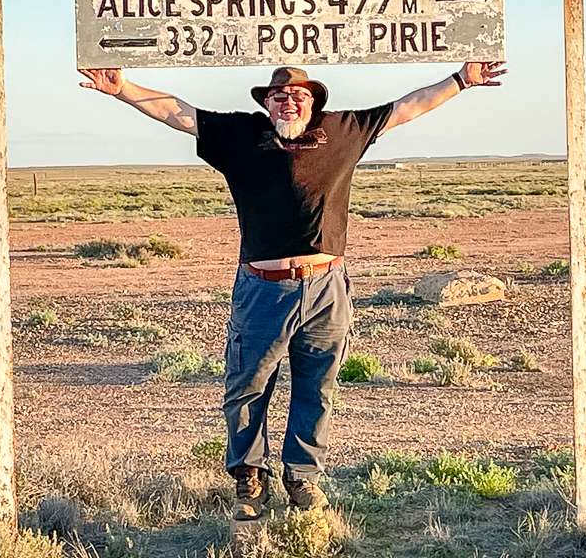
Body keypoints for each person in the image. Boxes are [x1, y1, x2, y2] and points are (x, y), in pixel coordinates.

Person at [76, 60, 507, 520]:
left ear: (314, 102)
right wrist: (123, 89)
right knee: (248, 385)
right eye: (279, 95)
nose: (289, 100)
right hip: (264, 288)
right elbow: (178, 112)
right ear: (266, 102)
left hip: (326, 288)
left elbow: (407, 107)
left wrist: (461, 81)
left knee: (317, 388)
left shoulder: (344, 131)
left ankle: (302, 477)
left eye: (300, 95)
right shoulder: (240, 137)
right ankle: (248, 479)